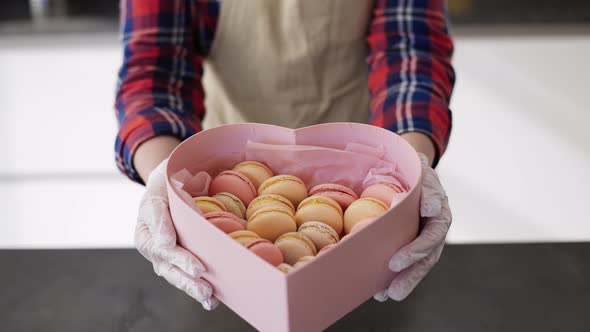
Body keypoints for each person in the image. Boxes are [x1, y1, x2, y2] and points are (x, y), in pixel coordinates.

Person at [115, 0, 454, 310]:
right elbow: (153, 71)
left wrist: (411, 168)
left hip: (364, 174)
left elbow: (412, 50)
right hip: (228, 186)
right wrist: (165, 178)